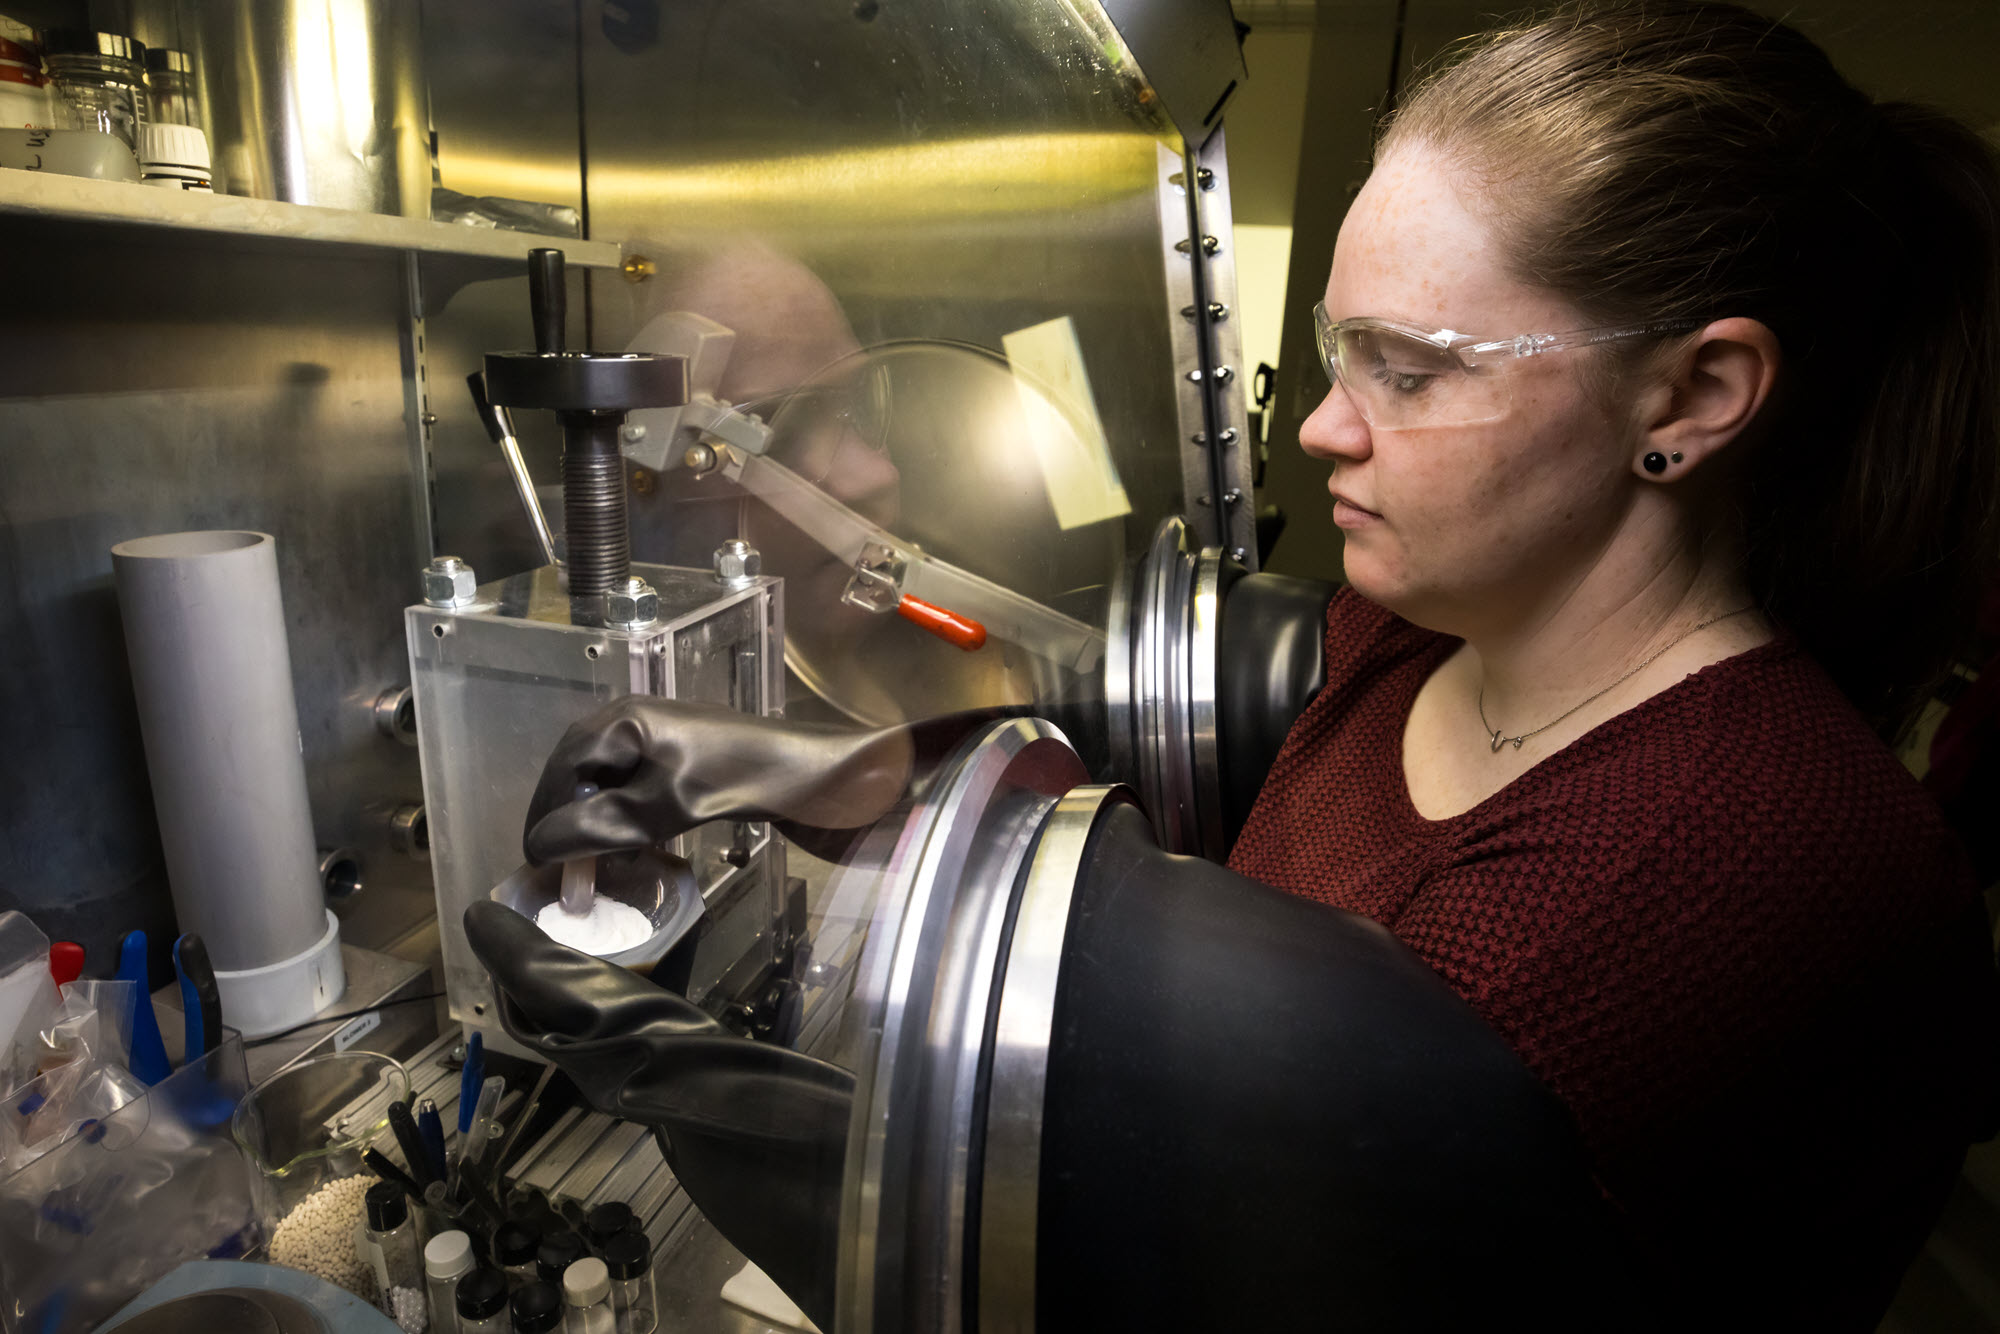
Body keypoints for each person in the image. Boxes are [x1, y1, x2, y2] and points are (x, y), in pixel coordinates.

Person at [1226, 1, 2000, 1326]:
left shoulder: (1694, 881)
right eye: (1338, 346)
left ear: (1695, 399)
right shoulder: (1420, 628)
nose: (1321, 426)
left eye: (1408, 371)